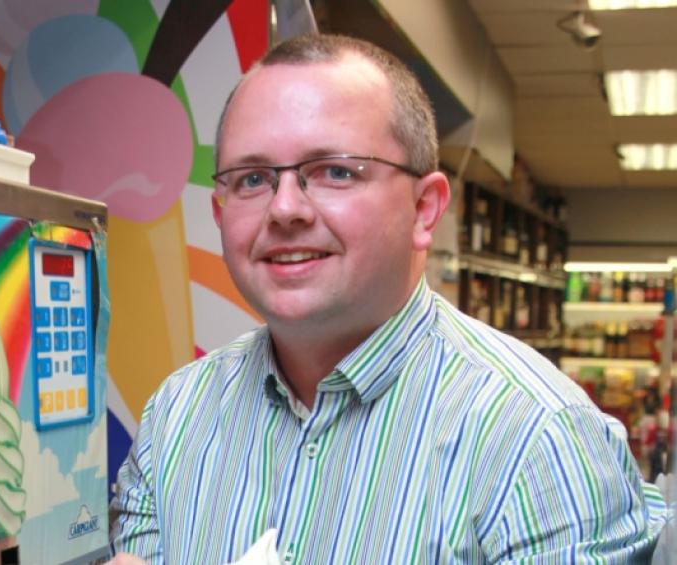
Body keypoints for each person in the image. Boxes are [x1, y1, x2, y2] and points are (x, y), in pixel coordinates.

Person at [109, 34, 667, 563]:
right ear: (220, 213)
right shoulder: (176, 418)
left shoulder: (538, 440)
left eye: (333, 171)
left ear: (425, 209)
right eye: (253, 179)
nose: (284, 209)